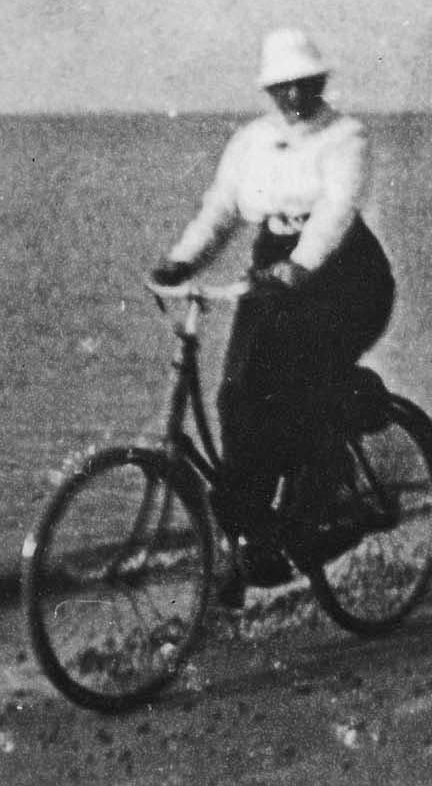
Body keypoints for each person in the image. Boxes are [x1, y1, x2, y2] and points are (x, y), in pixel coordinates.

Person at [149, 29, 396, 597]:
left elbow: (336, 212)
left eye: (303, 85)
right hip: (272, 269)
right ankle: (252, 539)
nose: (292, 97)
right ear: (269, 90)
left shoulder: (346, 138)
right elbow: (221, 209)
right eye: (281, 87)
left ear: (320, 83)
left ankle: (327, 500)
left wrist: (300, 268)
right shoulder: (250, 142)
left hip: (344, 277)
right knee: (238, 396)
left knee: (298, 390)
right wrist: (181, 261)